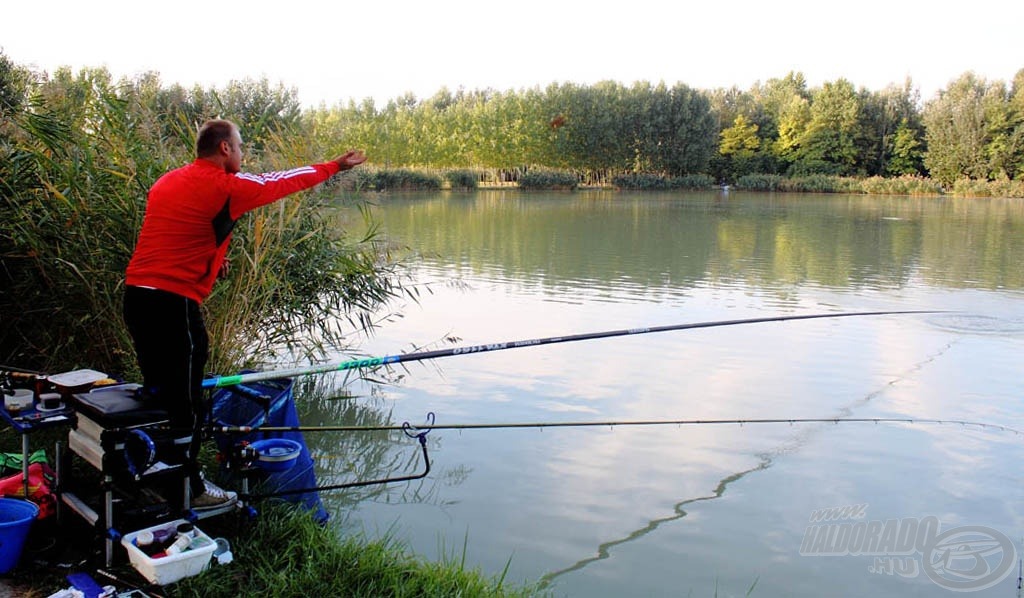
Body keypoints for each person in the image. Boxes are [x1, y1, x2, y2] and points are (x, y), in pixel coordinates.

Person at [123, 119, 367, 510]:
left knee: (157, 390)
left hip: (137, 296)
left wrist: (212, 259)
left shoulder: (166, 182)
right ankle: (188, 488)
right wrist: (335, 165)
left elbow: (179, 233)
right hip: (174, 304)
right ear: (224, 149)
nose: (242, 152)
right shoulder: (225, 186)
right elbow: (282, 181)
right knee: (185, 399)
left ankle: (149, 472)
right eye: (239, 145)